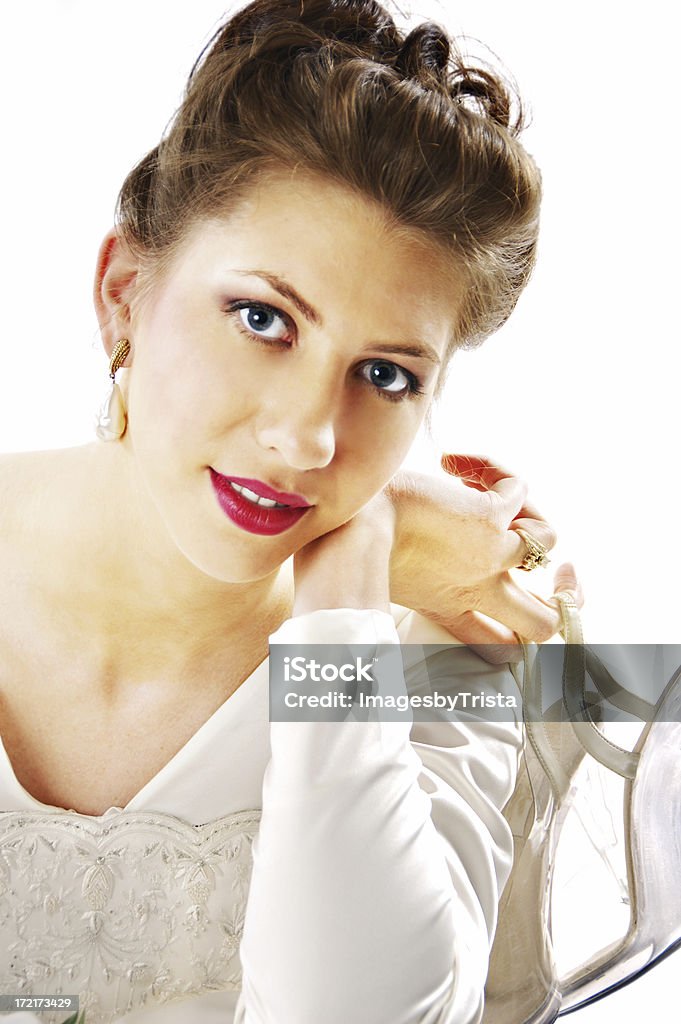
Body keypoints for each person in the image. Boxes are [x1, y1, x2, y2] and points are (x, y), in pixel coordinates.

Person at [0, 1, 578, 1021]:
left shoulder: (448, 655)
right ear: (123, 290)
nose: (311, 438)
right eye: (263, 318)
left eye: (387, 375)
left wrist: (348, 594)